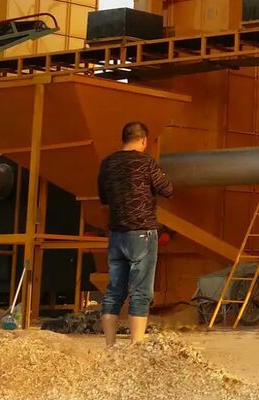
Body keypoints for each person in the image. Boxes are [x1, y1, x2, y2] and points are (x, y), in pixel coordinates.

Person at [97, 120, 173, 347]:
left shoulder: (107, 164)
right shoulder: (146, 162)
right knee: (140, 292)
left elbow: (103, 198)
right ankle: (136, 346)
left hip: (117, 234)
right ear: (143, 140)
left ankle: (110, 347)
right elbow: (167, 188)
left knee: (114, 291)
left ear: (124, 138)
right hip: (142, 233)